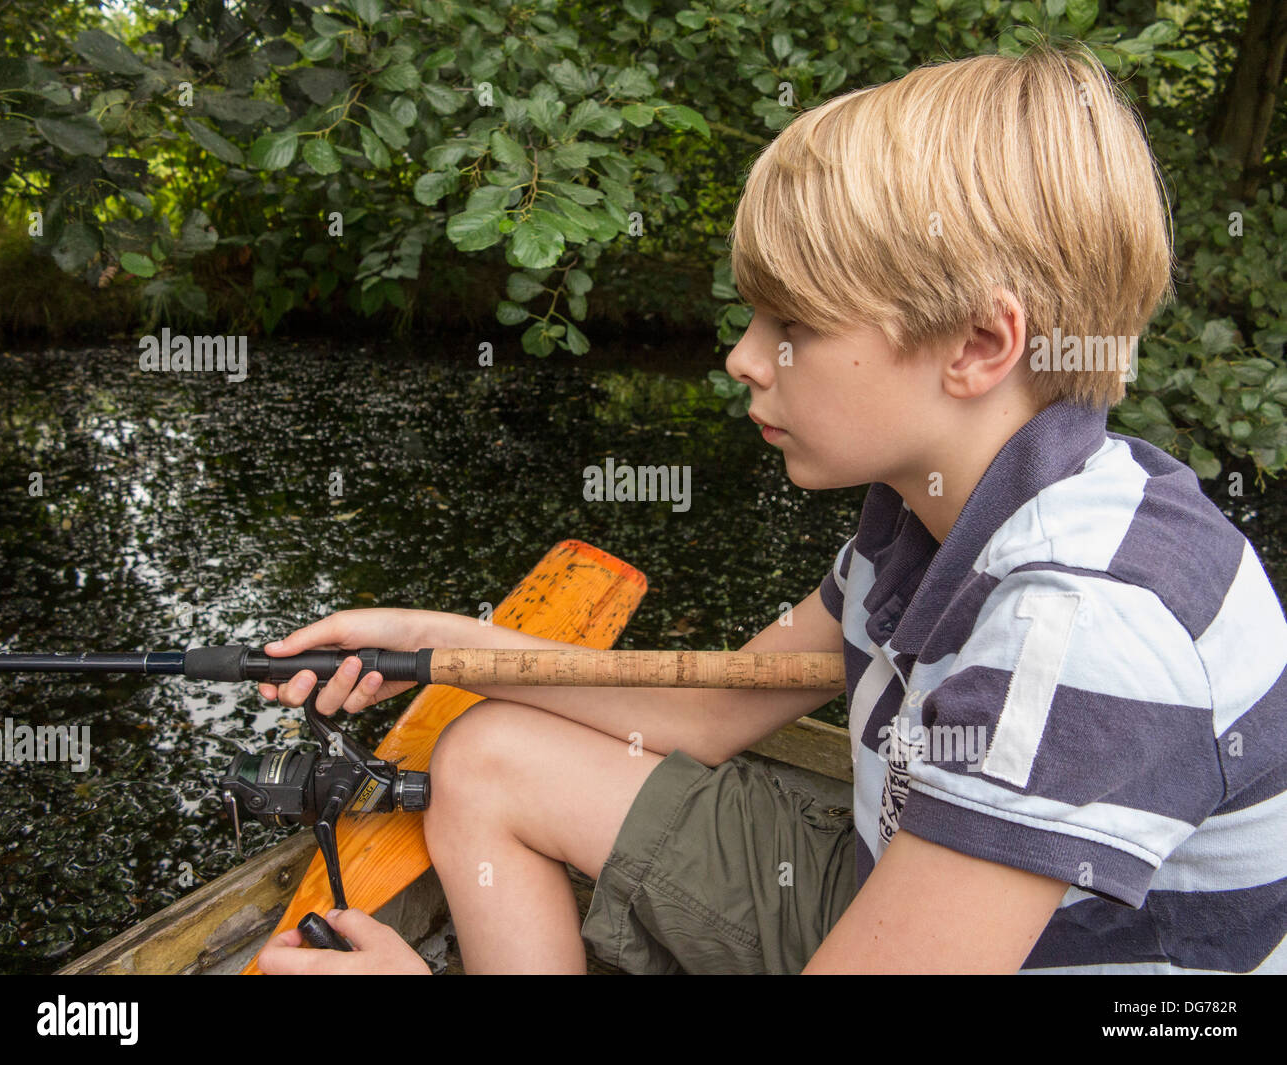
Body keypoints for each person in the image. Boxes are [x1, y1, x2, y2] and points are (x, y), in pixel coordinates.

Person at [256, 42, 1287, 975]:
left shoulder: (1084, 628)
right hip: (908, 881)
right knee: (486, 751)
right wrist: (438, 644)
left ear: (977, 346)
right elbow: (709, 708)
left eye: (789, 324)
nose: (743, 358)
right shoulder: (931, 515)